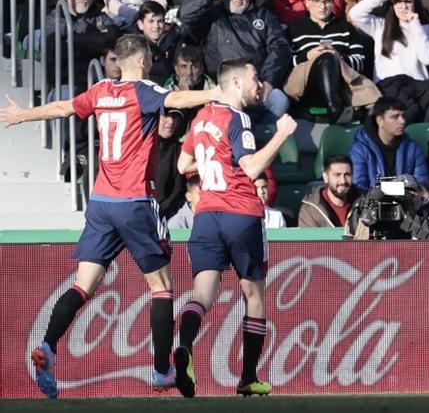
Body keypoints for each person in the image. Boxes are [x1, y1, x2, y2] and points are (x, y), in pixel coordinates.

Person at [0, 34, 217, 399]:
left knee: (83, 284)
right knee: (161, 287)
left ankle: (49, 347)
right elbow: (175, 99)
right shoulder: (144, 89)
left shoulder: (101, 90)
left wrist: (23, 116)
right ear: (144, 61)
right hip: (134, 202)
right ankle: (162, 371)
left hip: (101, 201)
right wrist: (215, 95)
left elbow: (62, 108)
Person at [174, 60, 297, 398]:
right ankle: (247, 377)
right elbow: (253, 165)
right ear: (237, 82)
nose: (259, 85)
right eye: (255, 78)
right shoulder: (237, 117)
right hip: (241, 215)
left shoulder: (200, 118)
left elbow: (183, 165)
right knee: (254, 296)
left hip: (206, 216)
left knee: (202, 295)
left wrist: (215, 157)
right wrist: (282, 135)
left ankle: (184, 346)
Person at [177, 0, 292, 119]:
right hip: (222, 88)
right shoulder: (211, 16)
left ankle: (261, 136)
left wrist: (268, 81)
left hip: (257, 85)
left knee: (279, 100)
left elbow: (280, 48)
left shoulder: (263, 15)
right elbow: (185, 14)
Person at [348, 0, 429, 122]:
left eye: (407, 1)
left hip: (417, 90)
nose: (403, 6)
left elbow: (428, 59)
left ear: (415, 3)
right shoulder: (380, 26)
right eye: (398, 2)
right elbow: (355, 13)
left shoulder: (423, 28)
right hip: (388, 90)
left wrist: (415, 25)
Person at [283, 0, 377, 123]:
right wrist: (307, 56)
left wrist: (339, 57)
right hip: (307, 88)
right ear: (307, 2)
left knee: (329, 57)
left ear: (333, 3)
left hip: (341, 85)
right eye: (317, 1)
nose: (323, 6)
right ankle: (336, 108)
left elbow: (360, 61)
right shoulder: (294, 29)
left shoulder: (346, 27)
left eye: (327, 1)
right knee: (325, 57)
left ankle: (335, 107)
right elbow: (285, 62)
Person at [348, 97, 429, 190]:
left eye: (403, 116)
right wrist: (398, 188)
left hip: (408, 202)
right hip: (373, 203)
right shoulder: (359, 150)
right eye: (395, 117)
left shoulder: (412, 148)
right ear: (380, 121)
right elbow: (359, 188)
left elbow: (423, 183)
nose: (402, 121)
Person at [297, 155, 364, 228]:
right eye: (337, 175)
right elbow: (309, 238)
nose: (343, 181)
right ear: (325, 177)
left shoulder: (365, 201)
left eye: (347, 175)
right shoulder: (311, 209)